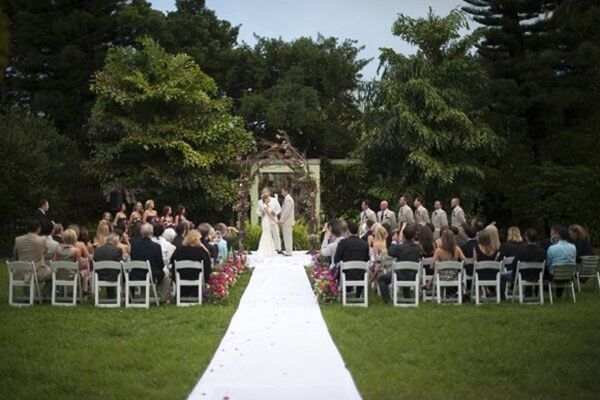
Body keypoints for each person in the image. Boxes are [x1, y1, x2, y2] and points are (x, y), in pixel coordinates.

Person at [378, 224, 423, 302]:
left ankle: (387, 300)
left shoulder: (400, 247)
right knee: (405, 272)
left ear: (404, 236)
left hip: (400, 275)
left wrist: (394, 241)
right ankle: (407, 297)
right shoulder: (417, 248)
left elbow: (390, 251)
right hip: (413, 275)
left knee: (381, 279)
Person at [130, 223, 172, 302]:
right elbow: (160, 265)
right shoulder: (156, 246)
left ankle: (143, 296)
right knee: (166, 275)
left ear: (141, 232)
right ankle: (163, 298)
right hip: (151, 275)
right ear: (152, 233)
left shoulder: (134, 245)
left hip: (136, 274)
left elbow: (132, 259)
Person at [500, 228, 546, 300]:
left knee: (500, 276)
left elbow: (514, 265)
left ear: (526, 238)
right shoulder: (543, 252)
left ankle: (502, 297)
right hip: (537, 276)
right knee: (530, 272)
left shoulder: (522, 251)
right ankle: (528, 295)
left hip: (521, 276)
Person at [13, 219, 52, 296]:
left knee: (27, 268)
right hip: (35, 272)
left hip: (19, 273)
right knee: (54, 273)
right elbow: (45, 250)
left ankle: (28, 295)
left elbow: (15, 255)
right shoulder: (42, 239)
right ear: (38, 228)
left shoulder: (18, 239)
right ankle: (44, 295)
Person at [333, 221, 370, 298]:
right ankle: (358, 294)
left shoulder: (343, 243)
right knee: (361, 270)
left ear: (348, 231)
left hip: (346, 275)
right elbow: (367, 259)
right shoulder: (365, 244)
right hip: (361, 275)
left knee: (338, 269)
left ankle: (345, 290)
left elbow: (336, 258)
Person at [170, 229, 212, 296]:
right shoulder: (202, 252)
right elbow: (207, 266)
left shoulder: (179, 250)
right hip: (197, 277)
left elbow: (172, 262)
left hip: (181, 277)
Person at [54, 228, 90, 296]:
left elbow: (54, 262)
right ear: (74, 238)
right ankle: (83, 291)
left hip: (59, 275)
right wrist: (84, 262)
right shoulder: (76, 251)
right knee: (85, 272)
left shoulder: (57, 248)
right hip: (72, 276)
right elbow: (79, 266)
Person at [546, 225, 576, 299]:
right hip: (569, 276)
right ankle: (559, 294)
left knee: (546, 270)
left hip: (555, 276)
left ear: (558, 235)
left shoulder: (552, 248)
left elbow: (549, 262)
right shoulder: (573, 247)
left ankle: (544, 290)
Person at [93, 232, 125, 299]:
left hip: (99, 276)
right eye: (118, 241)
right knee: (124, 271)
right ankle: (125, 294)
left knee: (110, 270)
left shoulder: (97, 250)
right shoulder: (117, 250)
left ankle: (111, 296)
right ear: (115, 241)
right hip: (113, 277)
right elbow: (122, 263)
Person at [255, 192, 278, 258]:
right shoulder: (265, 206)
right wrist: (276, 220)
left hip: (268, 222)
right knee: (266, 234)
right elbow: (269, 215)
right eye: (268, 198)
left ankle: (269, 249)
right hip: (266, 222)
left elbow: (271, 213)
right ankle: (265, 250)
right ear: (265, 199)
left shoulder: (268, 205)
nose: (269, 199)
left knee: (268, 234)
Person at [279, 187, 295, 256]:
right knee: (286, 236)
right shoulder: (287, 199)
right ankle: (288, 250)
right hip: (286, 222)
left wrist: (281, 220)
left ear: (286, 191)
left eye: (282, 191)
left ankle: (289, 251)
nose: (281, 193)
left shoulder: (288, 199)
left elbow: (286, 212)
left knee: (288, 237)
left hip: (287, 222)